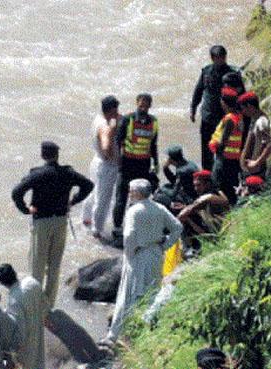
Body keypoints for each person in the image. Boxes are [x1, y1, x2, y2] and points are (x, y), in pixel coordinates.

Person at [12, 141, 94, 308]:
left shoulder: (37, 174)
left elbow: (16, 192)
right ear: (57, 155)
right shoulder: (68, 173)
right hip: (60, 221)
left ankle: (35, 304)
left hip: (41, 222)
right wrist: (73, 201)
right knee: (54, 266)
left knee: (37, 266)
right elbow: (88, 185)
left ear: (43, 155)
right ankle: (49, 305)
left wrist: (26, 209)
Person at [103, 179, 182, 343]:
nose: (129, 194)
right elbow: (177, 227)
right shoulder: (159, 208)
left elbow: (130, 235)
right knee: (152, 292)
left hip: (138, 255)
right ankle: (145, 332)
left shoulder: (134, 210)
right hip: (155, 254)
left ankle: (114, 335)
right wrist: (165, 245)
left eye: (131, 191)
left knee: (127, 294)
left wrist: (130, 253)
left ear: (138, 194)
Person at [112, 93, 159, 237]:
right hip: (127, 164)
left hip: (143, 165)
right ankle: (117, 228)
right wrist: (118, 161)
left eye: (146, 103)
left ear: (150, 105)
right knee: (121, 198)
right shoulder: (128, 119)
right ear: (136, 103)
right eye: (141, 102)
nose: (143, 105)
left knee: (140, 198)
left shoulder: (154, 122)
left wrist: (156, 163)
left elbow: (153, 144)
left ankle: (134, 228)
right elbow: (117, 141)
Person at [190, 45, 240, 171]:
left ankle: (222, 172)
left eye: (222, 57)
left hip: (225, 117)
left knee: (223, 146)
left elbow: (240, 93)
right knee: (206, 148)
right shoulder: (206, 71)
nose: (219, 60)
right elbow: (198, 91)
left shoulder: (232, 73)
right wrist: (193, 108)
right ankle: (206, 174)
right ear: (212, 58)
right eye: (216, 57)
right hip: (208, 115)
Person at [82, 95, 120, 240]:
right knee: (103, 199)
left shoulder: (98, 119)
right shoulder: (106, 127)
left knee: (93, 193)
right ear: (112, 110)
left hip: (96, 161)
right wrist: (111, 154)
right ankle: (97, 231)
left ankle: (86, 219)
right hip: (107, 166)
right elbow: (106, 148)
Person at [0, 264, 45, 369]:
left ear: (2, 282)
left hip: (28, 344)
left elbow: (19, 332)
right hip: (38, 331)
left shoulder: (13, 301)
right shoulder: (32, 282)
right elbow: (45, 304)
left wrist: (12, 356)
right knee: (40, 363)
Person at [177, 170, 229, 254]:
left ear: (207, 184)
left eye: (199, 185)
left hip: (215, 234)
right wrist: (185, 207)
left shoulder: (206, 197)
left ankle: (187, 249)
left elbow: (181, 215)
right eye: (195, 186)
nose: (196, 189)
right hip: (222, 229)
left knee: (184, 218)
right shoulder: (220, 193)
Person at [209, 87, 245, 205]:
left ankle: (225, 212)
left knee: (218, 186)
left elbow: (221, 142)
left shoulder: (229, 119)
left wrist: (213, 144)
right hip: (234, 159)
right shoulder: (239, 117)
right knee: (230, 188)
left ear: (223, 102)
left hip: (223, 159)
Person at [238, 91, 271, 179]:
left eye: (243, 108)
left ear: (250, 106)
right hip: (250, 171)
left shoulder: (261, 122)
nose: (243, 112)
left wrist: (257, 163)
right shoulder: (254, 120)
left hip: (257, 172)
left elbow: (270, 145)